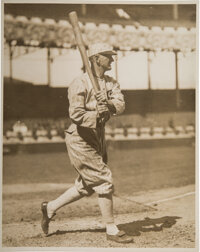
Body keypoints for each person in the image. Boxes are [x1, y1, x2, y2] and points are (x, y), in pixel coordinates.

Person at [41, 43, 133, 244]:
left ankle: (49, 208)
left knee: (87, 186)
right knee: (104, 180)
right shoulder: (79, 83)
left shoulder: (111, 83)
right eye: (108, 56)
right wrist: (97, 111)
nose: (113, 59)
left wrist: (107, 102)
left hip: (98, 136)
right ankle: (111, 229)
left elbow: (121, 105)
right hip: (80, 137)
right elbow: (76, 114)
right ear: (96, 58)